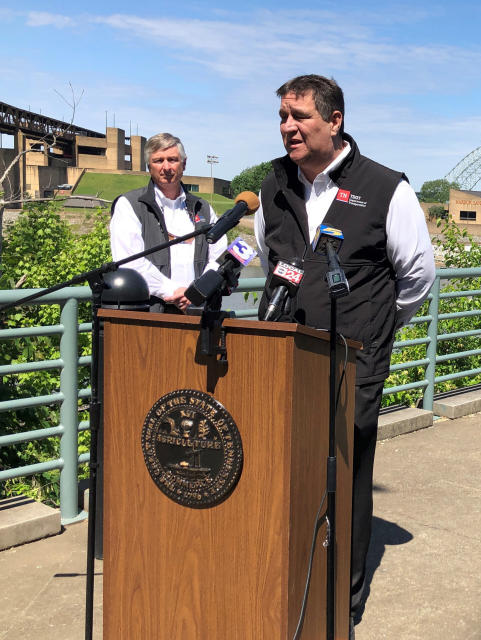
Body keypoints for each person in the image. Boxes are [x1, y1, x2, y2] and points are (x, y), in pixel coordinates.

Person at [253, 75, 435, 629]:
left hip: (353, 357)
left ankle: (343, 597)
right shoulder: (272, 186)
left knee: (347, 473)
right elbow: (269, 260)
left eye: (300, 117)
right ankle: (285, 577)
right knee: (284, 466)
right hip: (285, 356)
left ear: (334, 121)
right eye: (283, 116)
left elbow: (418, 275)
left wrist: (376, 328)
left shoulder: (386, 187)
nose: (288, 127)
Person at [110, 133, 226, 312]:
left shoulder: (203, 208)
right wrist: (173, 291)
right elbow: (130, 263)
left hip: (200, 311)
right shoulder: (129, 205)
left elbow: (219, 256)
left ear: (184, 164)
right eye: (158, 160)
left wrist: (198, 291)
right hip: (153, 312)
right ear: (149, 166)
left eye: (172, 159)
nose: (166, 167)